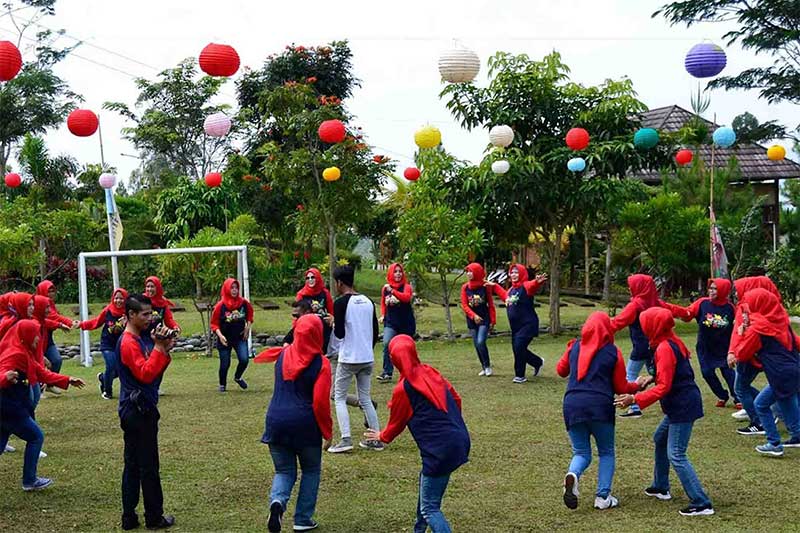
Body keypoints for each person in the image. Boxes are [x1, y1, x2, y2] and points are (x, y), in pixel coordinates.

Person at [365, 335, 470, 533]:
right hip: (459, 439)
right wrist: (451, 426)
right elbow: (456, 399)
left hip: (440, 451)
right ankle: (418, 530)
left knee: (430, 508)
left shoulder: (404, 389)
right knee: (427, 488)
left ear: (394, 359)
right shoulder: (429, 371)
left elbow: (397, 423)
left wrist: (382, 436)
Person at [615, 307, 714, 517]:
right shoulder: (667, 341)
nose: (643, 328)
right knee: (660, 438)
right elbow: (669, 373)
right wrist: (650, 378)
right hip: (680, 403)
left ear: (654, 326)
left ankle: (701, 502)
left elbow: (664, 387)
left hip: (682, 405)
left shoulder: (665, 348)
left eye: (645, 324)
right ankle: (661, 486)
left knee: (676, 454)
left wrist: (635, 399)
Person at [556, 312, 642, 510]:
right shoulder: (612, 352)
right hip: (600, 406)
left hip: (572, 404)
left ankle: (573, 474)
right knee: (606, 452)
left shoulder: (575, 346)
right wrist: (637, 385)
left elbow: (561, 371)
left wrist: (570, 350)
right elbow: (621, 387)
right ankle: (603, 497)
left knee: (581, 452)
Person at [257, 314, 332, 533]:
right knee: (311, 470)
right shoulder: (321, 363)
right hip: (305, 426)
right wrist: (328, 432)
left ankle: (277, 503)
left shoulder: (282, 355)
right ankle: (302, 518)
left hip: (276, 421)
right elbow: (320, 403)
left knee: (284, 471)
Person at [0, 319, 85, 491]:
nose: (38, 338)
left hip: (8, 406)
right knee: (36, 437)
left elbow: (41, 373)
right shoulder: (15, 354)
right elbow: (3, 372)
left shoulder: (23, 351)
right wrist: (5, 377)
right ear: (26, 335)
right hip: (10, 407)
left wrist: (67, 380)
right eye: (36, 335)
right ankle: (30, 481)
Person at [117, 294, 176, 531]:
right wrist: (159, 348)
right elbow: (145, 374)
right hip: (139, 410)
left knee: (132, 465)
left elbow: (154, 371)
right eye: (145, 314)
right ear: (131, 315)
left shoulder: (137, 339)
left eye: (150, 313)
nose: (150, 318)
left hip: (133, 408)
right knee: (148, 466)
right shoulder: (129, 342)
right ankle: (154, 516)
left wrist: (163, 349)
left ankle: (129, 517)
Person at [733, 289, 800, 456]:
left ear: (758, 305)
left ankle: (774, 443)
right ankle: (797, 435)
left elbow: (742, 354)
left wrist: (741, 334)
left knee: (760, 404)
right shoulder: (781, 321)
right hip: (793, 369)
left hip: (780, 374)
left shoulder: (758, 328)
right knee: (787, 402)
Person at [327, 264, 382, 453]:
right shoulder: (368, 301)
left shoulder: (340, 303)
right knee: (365, 398)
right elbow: (375, 331)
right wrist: (367, 349)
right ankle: (375, 438)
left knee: (339, 397)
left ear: (339, 283)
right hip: (367, 357)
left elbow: (340, 334)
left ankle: (346, 439)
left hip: (349, 358)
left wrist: (334, 323)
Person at [665, 279, 739, 408]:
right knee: (707, 373)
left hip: (724, 347)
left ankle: (738, 397)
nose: (711, 291)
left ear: (723, 291)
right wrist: (666, 306)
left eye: (715, 289)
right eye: (710, 288)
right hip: (705, 347)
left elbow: (738, 326)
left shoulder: (730, 308)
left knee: (728, 373)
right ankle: (722, 395)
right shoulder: (702, 303)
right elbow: (687, 315)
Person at [727, 276, 784, 434]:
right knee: (777, 390)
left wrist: (734, 352)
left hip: (754, 356)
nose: (737, 294)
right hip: (768, 358)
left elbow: (743, 336)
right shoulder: (774, 309)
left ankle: (760, 420)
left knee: (741, 387)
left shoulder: (752, 311)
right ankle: (765, 412)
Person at [610, 274, 666, 418]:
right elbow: (673, 310)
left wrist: (599, 328)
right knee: (658, 376)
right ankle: (670, 403)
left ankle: (634, 407)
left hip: (641, 347)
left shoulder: (635, 305)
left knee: (630, 375)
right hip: (657, 346)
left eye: (631, 286)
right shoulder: (655, 302)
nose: (629, 289)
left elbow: (618, 322)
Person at [488, 264, 547, 383]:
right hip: (516, 327)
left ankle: (520, 376)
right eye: (512, 272)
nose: (514, 275)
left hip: (528, 324)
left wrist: (537, 282)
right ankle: (537, 362)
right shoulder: (511, 290)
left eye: (516, 272)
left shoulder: (525, 286)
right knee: (518, 349)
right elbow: (505, 296)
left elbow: (532, 286)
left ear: (522, 274)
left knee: (519, 346)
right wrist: (494, 286)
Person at [79, 288, 128, 399]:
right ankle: (107, 391)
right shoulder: (108, 310)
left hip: (122, 345)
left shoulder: (129, 312)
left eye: (121, 298)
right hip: (108, 344)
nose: (118, 301)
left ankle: (103, 378)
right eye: (116, 298)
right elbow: (96, 322)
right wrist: (81, 325)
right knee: (111, 365)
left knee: (121, 369)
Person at [210, 278, 254, 392]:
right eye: (232, 288)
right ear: (226, 289)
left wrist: (247, 328)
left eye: (236, 288)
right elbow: (214, 324)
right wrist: (220, 336)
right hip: (225, 338)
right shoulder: (220, 306)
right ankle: (222, 384)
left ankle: (238, 377)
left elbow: (250, 315)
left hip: (239, 337)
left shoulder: (243, 303)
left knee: (244, 359)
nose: (234, 290)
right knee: (225, 363)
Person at [377, 262, 416, 383]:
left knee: (406, 347)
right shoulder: (385, 288)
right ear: (391, 273)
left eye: (400, 271)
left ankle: (410, 372)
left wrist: (393, 291)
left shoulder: (406, 287)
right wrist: (383, 315)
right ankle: (387, 372)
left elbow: (406, 298)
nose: (398, 274)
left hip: (406, 322)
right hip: (391, 322)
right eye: (395, 271)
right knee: (387, 343)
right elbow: (383, 302)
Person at [460, 263, 497, 377]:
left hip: (484, 319)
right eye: (467, 271)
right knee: (477, 344)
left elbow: (491, 304)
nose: (468, 274)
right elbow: (464, 305)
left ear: (477, 272)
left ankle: (488, 366)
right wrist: (473, 316)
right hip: (472, 320)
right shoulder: (465, 287)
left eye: (470, 271)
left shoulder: (486, 286)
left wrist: (493, 320)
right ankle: (483, 367)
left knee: (481, 341)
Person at [36, 280, 78, 374]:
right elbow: (51, 318)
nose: (51, 294)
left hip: (47, 339)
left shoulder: (50, 305)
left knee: (56, 360)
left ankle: (51, 381)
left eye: (53, 291)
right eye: (48, 291)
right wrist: (68, 323)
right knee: (38, 366)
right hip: (37, 339)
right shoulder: (37, 305)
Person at [295, 268, 334, 352]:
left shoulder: (325, 293)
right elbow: (297, 313)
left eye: (313, 277)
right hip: (307, 325)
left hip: (323, 325)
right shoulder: (301, 294)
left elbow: (331, 310)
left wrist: (331, 318)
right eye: (308, 278)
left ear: (318, 278)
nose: (310, 280)